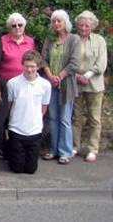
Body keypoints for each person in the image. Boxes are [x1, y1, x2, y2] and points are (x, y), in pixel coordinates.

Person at [40, 9, 80, 165]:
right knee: (53, 118)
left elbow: (74, 63)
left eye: (59, 21)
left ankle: (65, 151)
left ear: (65, 23)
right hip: (51, 84)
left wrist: (60, 76)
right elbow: (43, 60)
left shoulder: (73, 39)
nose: (56, 24)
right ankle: (53, 150)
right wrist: (50, 76)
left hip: (66, 84)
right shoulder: (49, 40)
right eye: (54, 21)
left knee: (65, 119)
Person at [7, 50, 51, 174]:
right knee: (17, 169)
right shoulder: (13, 83)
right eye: (27, 66)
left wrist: (35, 121)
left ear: (38, 67)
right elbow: (9, 106)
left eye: (33, 66)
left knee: (31, 170)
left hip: (34, 131)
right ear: (22, 65)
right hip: (16, 130)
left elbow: (44, 108)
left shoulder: (45, 85)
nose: (30, 69)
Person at [72, 11, 108, 162]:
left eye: (87, 25)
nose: (84, 28)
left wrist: (87, 75)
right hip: (75, 83)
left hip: (94, 84)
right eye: (81, 25)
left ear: (92, 26)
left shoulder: (99, 40)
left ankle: (93, 149)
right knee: (76, 117)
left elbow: (101, 63)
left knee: (94, 118)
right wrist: (76, 76)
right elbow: (67, 60)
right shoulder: (72, 39)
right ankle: (75, 146)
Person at [0, 12, 36, 83]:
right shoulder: (2, 41)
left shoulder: (30, 41)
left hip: (26, 83)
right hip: (5, 83)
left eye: (20, 25)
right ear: (10, 28)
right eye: (14, 26)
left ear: (24, 26)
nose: (17, 27)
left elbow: (34, 61)